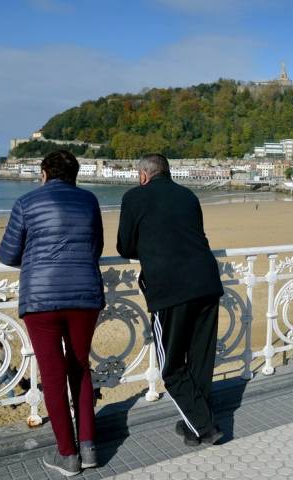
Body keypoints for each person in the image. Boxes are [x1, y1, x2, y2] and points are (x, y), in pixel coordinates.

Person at [0, 150, 104, 477]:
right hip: (85, 295)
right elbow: (95, 248)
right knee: (80, 368)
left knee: (53, 376)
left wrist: (37, 259)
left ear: (43, 173)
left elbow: (7, 253)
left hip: (41, 299)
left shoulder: (26, 203)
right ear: (75, 174)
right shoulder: (89, 201)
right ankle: (88, 448)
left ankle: (68, 456)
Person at [117, 153, 224, 447]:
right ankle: (195, 425)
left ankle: (205, 427)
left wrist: (151, 244)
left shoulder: (134, 198)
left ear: (143, 175)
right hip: (206, 281)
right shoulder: (188, 196)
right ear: (167, 172)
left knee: (172, 365)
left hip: (170, 288)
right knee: (200, 360)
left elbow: (125, 246)